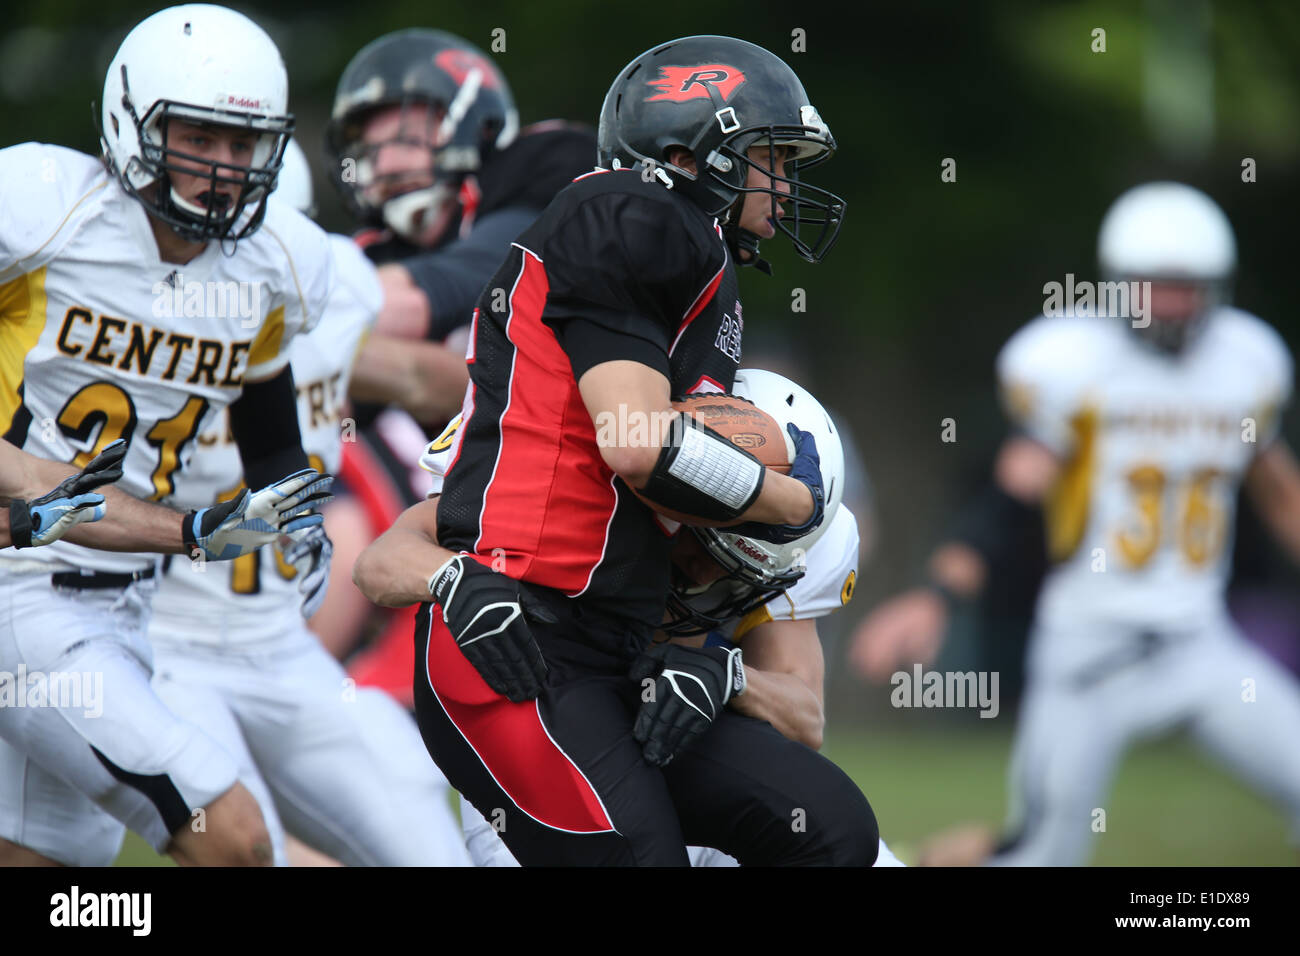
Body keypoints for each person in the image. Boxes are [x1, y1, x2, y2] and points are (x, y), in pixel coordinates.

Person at [356, 35, 877, 866]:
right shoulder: (634, 214)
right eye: (768, 158)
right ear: (685, 155)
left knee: (831, 828)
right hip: (520, 640)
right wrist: (793, 499)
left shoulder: (692, 267)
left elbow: (641, 460)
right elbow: (637, 446)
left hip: (614, 653)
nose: (783, 184)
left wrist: (722, 676)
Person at [852, 182, 1300, 865]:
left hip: (1201, 647)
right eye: (1157, 286)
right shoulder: (1073, 364)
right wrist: (936, 597)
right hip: (1090, 653)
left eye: (1190, 286)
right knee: (1045, 854)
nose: (1174, 304)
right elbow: (1008, 504)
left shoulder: (1246, 363)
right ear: (1121, 285)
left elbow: (1280, 494)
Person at [0, 4, 335, 867]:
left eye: (243, 144)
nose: (221, 167)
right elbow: (54, 494)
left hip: (122, 604)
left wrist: (290, 500)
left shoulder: (278, 264)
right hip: (23, 584)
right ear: (132, 119)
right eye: (198, 136)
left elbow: (263, 395)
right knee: (230, 834)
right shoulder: (46, 210)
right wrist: (191, 531)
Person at [412, 368, 905, 866]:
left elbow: (806, 719)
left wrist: (730, 678)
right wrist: (455, 578)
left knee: (844, 841)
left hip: (675, 742)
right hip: (546, 728)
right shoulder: (575, 468)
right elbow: (384, 559)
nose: (704, 574)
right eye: (701, 542)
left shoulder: (801, 545)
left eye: (733, 570)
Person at [141, 138, 468, 867]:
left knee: (422, 814)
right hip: (161, 640)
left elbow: (427, 374)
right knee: (243, 844)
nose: (253, 283)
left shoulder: (336, 287)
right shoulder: (143, 320)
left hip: (283, 643)